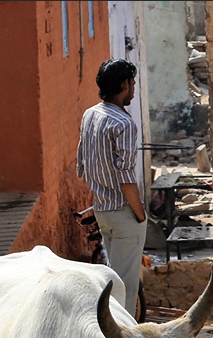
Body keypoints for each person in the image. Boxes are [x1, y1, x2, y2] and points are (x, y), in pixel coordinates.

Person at [77, 59, 146, 318]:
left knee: (112, 280)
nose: (134, 89)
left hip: (102, 209)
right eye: (132, 83)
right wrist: (140, 216)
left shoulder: (90, 114)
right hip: (123, 211)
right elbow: (126, 178)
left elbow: (81, 164)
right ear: (123, 84)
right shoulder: (124, 124)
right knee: (124, 290)